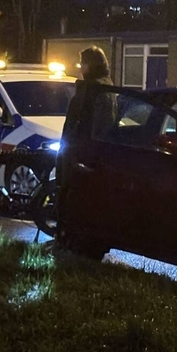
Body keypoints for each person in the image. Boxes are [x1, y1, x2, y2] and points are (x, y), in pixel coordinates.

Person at [55, 46, 114, 244]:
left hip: (79, 153)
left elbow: (84, 124)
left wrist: (76, 152)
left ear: (90, 65)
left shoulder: (93, 90)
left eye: (83, 63)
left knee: (71, 196)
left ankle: (68, 238)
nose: (80, 67)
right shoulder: (105, 87)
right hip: (82, 151)